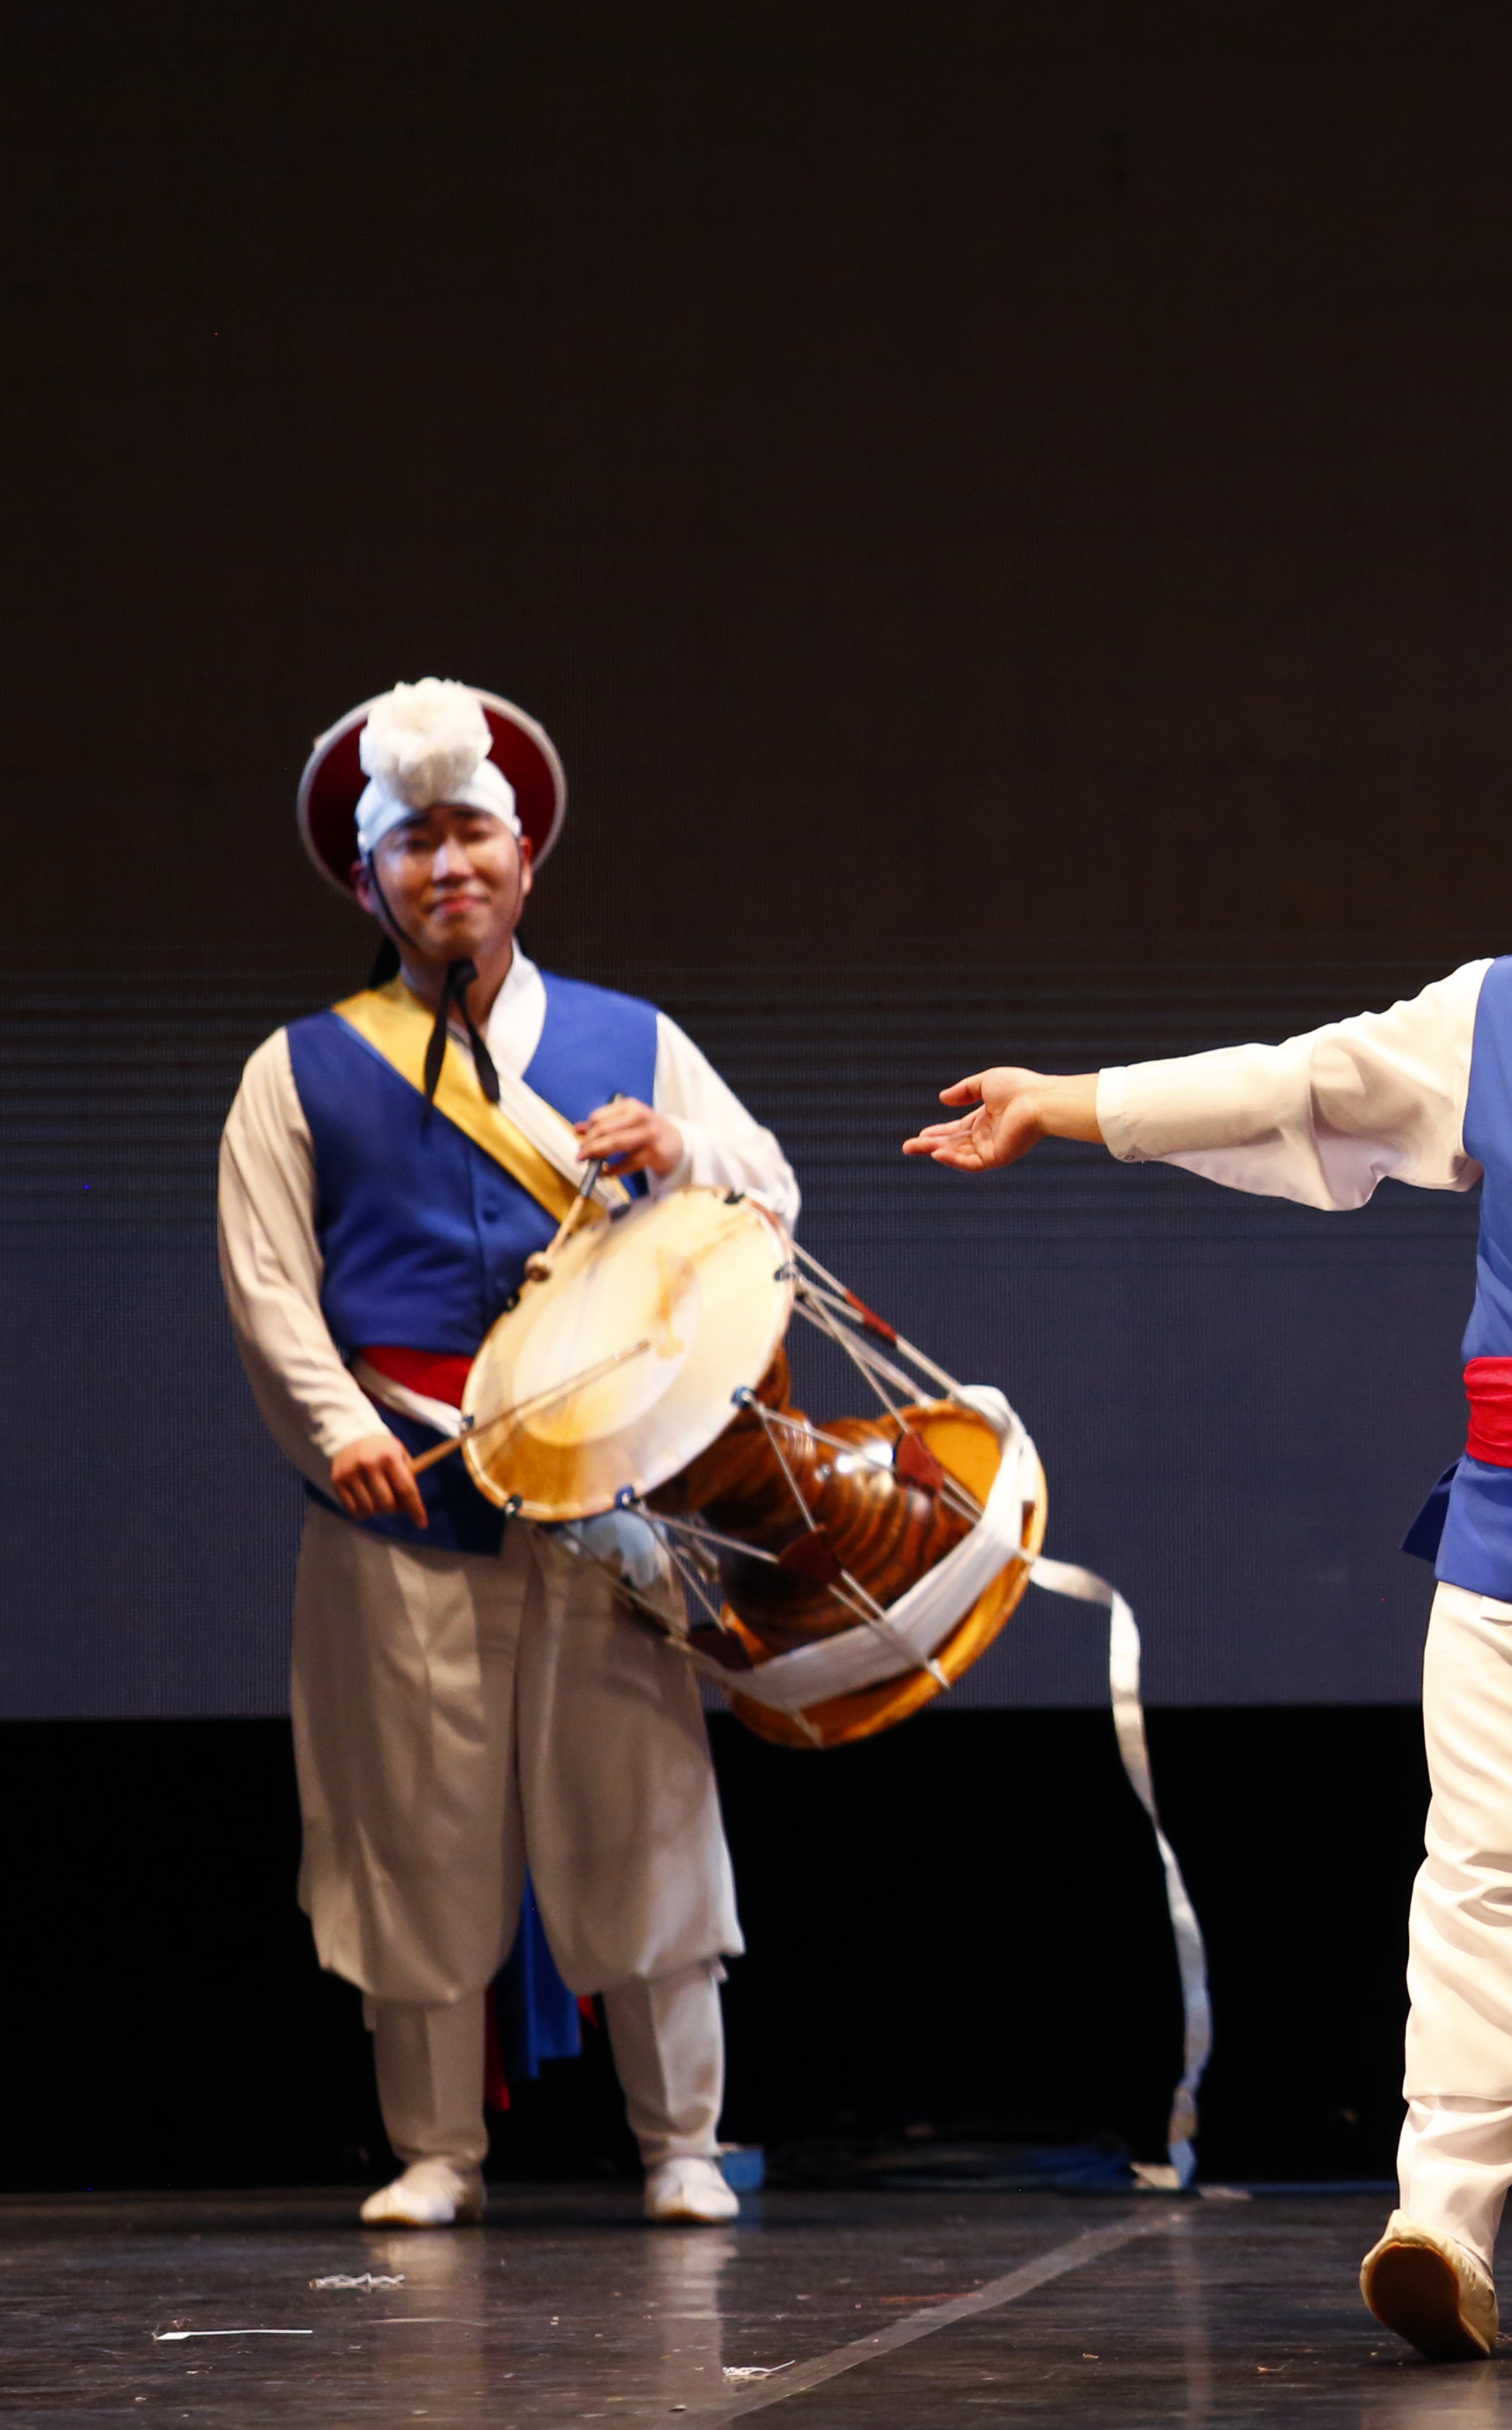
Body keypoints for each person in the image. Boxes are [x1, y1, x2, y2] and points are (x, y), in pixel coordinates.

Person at [909, 681, 1512, 2358]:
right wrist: (1064, 1100)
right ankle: (1444, 2216)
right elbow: (1297, 1086)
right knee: (1493, 1869)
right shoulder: (1494, 1013)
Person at [219, 679, 798, 2228]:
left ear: (525, 854)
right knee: (412, 1823)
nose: (449, 864)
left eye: (472, 831)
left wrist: (683, 1152)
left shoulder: (635, 1040)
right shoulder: (297, 1069)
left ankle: (682, 2142)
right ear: (370, 881)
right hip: (404, 1504)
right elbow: (270, 1282)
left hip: (607, 1491)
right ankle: (435, 2150)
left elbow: (768, 1201)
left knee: (643, 1811)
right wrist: (340, 1428)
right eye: (413, 842)